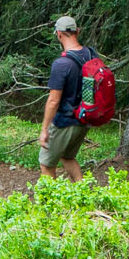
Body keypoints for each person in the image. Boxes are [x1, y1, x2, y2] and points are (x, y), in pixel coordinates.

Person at [38, 15, 94, 181]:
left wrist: (45, 128)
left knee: (46, 164)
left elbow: (54, 101)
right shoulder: (91, 54)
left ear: (59, 34)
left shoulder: (61, 64)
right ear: (77, 31)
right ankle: (83, 194)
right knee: (67, 157)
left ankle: (51, 203)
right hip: (84, 118)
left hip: (64, 122)